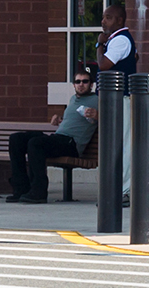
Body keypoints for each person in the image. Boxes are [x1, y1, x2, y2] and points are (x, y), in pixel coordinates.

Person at [8, 62, 99, 203]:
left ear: (91, 84)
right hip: (58, 138)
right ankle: (21, 188)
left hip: (71, 144)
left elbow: (112, 120)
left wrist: (98, 116)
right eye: (78, 81)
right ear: (74, 85)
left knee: (36, 143)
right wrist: (60, 120)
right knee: (16, 139)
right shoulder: (73, 99)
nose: (81, 84)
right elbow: (74, 122)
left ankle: (39, 191)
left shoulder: (97, 100)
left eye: (85, 82)